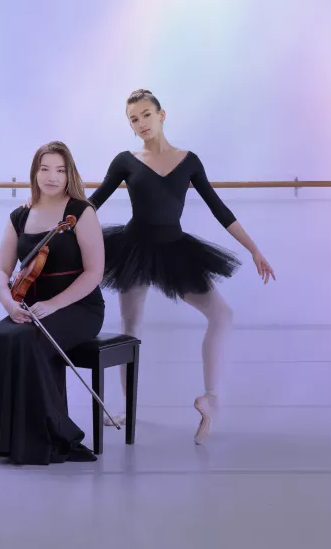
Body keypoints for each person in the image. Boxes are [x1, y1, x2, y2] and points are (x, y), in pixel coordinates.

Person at [90, 88, 276, 444]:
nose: (141, 123)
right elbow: (93, 204)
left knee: (222, 315)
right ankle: (129, 408)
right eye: (133, 119)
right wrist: (59, 228)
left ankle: (211, 400)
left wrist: (254, 249)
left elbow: (218, 208)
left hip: (176, 249)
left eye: (146, 114)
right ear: (129, 126)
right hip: (133, 247)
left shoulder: (189, 160)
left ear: (162, 115)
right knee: (130, 326)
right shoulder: (125, 161)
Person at [0, 141, 105, 465]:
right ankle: (0, 440)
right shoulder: (21, 215)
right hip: (30, 305)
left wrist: (54, 304)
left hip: (78, 306)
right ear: (35, 173)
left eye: (59, 169)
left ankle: (54, 437)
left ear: (69, 174)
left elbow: (95, 273)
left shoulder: (81, 212)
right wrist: (9, 305)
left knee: (31, 341)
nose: (51, 176)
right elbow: (1, 270)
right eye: (44, 169)